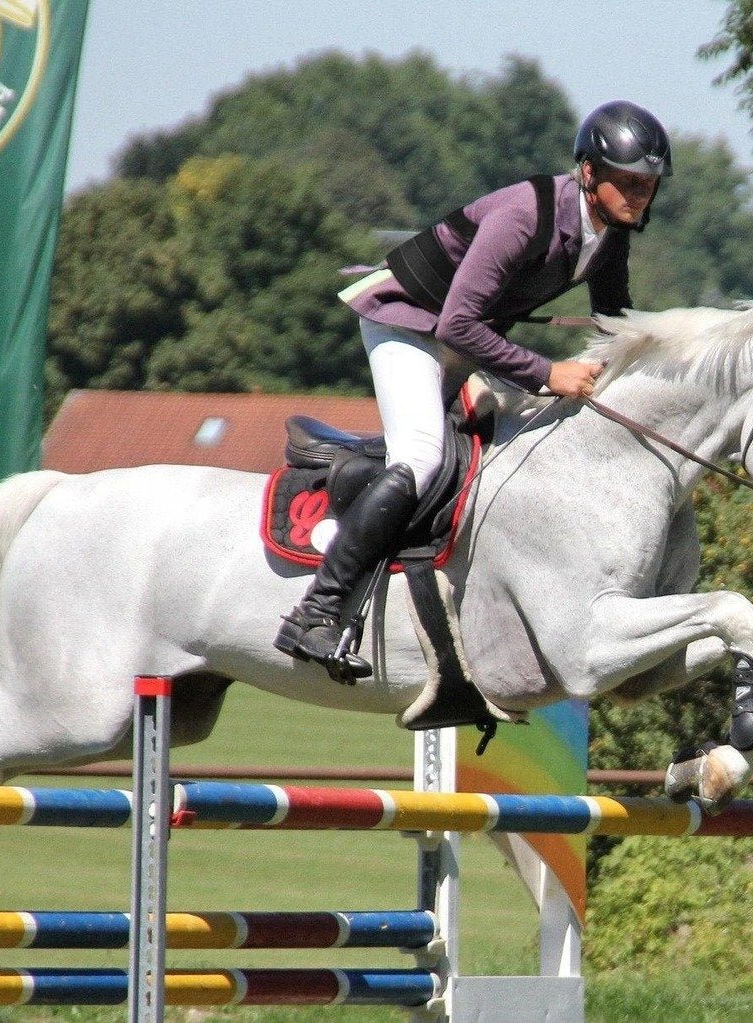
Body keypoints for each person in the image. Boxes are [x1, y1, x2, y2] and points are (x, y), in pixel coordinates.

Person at [275, 99, 672, 680]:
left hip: (462, 334)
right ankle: (318, 610)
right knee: (422, 457)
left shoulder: (610, 235)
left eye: (648, 185)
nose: (639, 196)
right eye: (628, 182)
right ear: (589, 173)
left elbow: (616, 325)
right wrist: (546, 374)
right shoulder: (524, 215)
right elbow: (457, 325)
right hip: (406, 320)